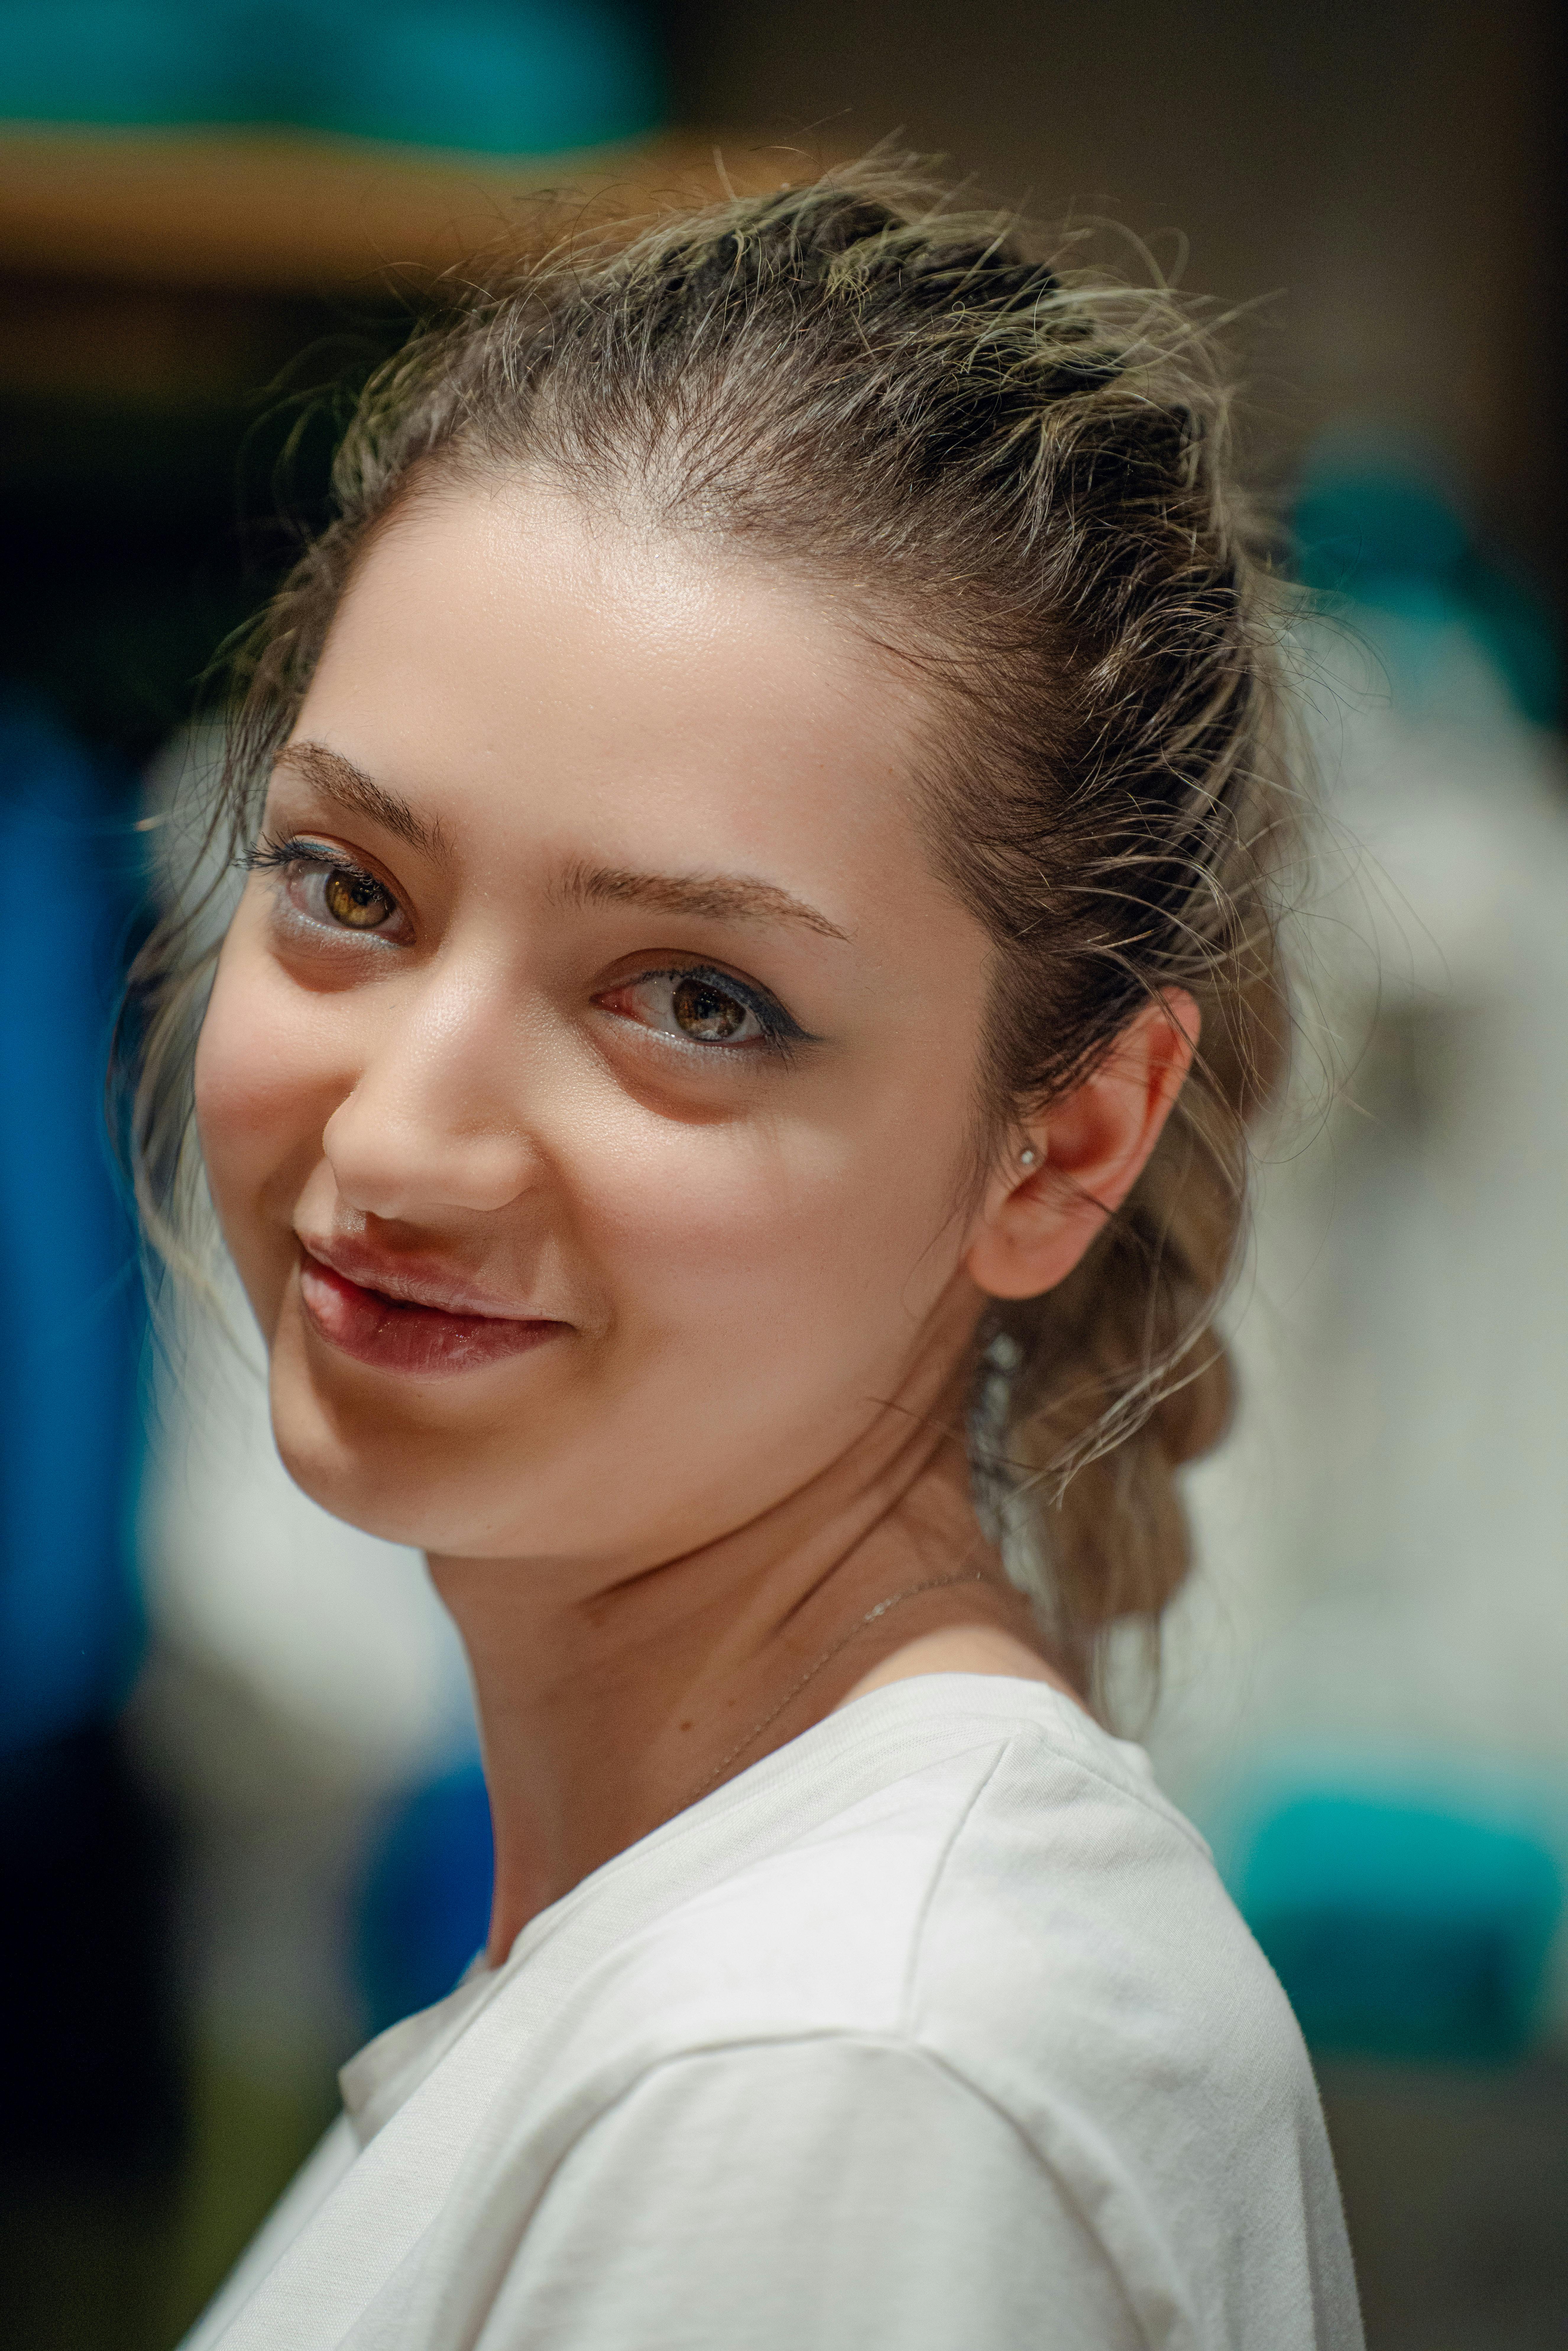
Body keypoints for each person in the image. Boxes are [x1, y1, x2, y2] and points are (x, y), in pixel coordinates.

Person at [129, 159, 1362, 2349]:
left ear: (1066, 1144)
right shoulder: (726, 1976)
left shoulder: (834, 2077)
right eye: (349, 888)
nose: (400, 1138)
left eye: (696, 999)